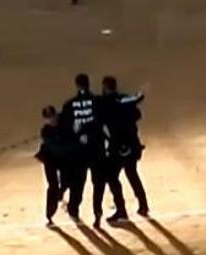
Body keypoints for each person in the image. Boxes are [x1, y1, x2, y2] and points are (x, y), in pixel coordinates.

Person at [100, 76, 150, 222]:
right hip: (132, 145)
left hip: (116, 146)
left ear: (105, 87)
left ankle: (121, 210)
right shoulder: (125, 100)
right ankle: (143, 205)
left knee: (112, 177)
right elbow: (137, 113)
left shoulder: (104, 104)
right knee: (132, 174)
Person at [59, 73, 104, 225]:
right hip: (97, 147)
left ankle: (74, 209)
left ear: (77, 85)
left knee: (78, 181)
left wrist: (78, 135)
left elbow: (65, 127)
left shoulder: (69, 104)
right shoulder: (98, 101)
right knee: (98, 182)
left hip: (79, 150)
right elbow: (102, 122)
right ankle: (97, 211)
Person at [35, 105, 71, 226]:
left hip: (64, 158)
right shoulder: (45, 131)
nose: (51, 120)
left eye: (52, 117)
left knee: (67, 181)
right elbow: (56, 147)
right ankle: (49, 214)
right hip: (50, 160)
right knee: (52, 186)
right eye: (48, 118)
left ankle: (61, 192)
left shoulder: (65, 124)